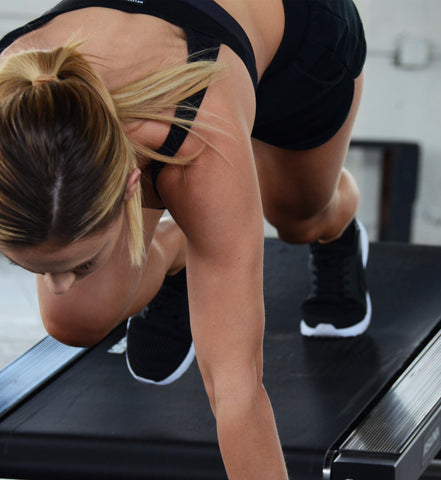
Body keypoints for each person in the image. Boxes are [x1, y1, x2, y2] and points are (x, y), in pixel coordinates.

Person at [0, 0, 369, 478]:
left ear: (133, 188)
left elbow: (236, 391)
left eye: (81, 263)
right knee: (76, 318)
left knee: (298, 221)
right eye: (32, 266)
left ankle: (338, 224)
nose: (60, 283)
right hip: (166, 77)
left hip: (296, 45)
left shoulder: (198, 138)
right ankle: (179, 250)